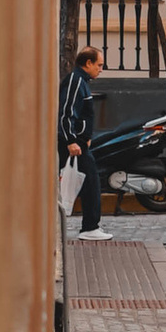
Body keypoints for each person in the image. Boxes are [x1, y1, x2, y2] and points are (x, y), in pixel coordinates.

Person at [59, 44, 106, 236]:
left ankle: (90, 226)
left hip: (79, 142)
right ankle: (90, 227)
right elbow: (66, 113)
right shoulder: (76, 82)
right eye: (99, 65)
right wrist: (71, 140)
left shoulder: (82, 82)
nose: (100, 69)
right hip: (73, 143)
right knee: (91, 182)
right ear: (88, 63)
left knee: (89, 182)